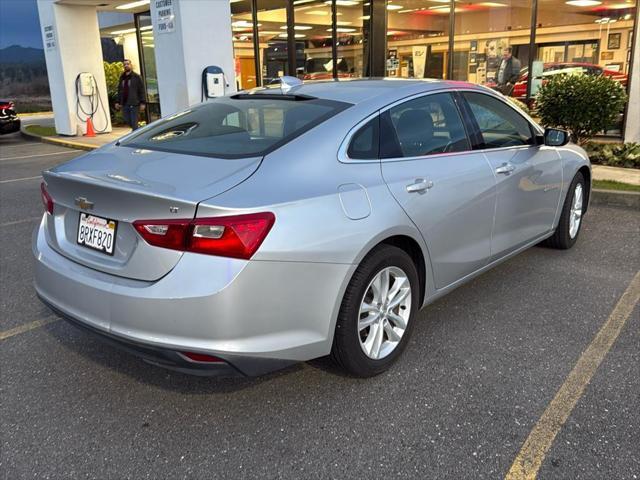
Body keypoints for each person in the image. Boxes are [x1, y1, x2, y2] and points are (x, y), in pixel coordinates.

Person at [115, 59, 146, 130]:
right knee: (127, 120)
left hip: (134, 104)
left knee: (134, 122)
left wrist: (143, 102)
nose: (126, 65)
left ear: (131, 65)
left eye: (127, 64)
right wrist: (117, 102)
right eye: (124, 64)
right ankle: (139, 131)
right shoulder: (122, 77)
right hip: (124, 104)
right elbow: (119, 90)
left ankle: (136, 136)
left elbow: (141, 90)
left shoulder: (137, 77)